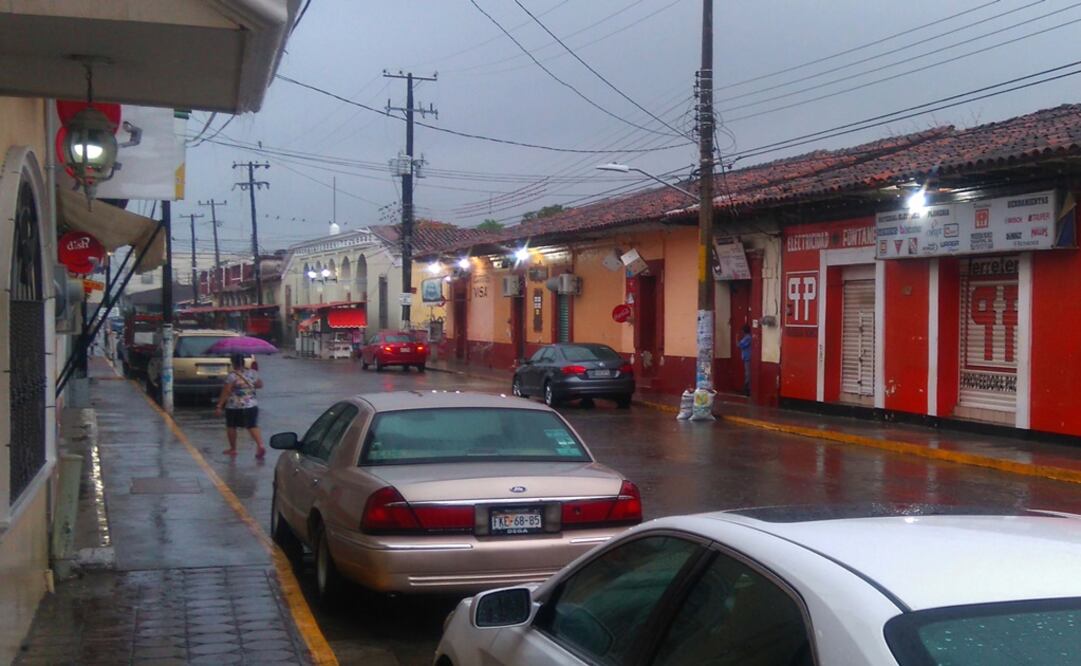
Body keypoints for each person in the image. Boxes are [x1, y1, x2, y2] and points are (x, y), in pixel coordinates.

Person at [215, 354, 266, 458]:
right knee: (252, 425)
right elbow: (260, 385)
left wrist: (219, 405)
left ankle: (233, 449)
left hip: (234, 406)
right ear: (243, 362)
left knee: (231, 426)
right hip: (252, 405)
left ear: (233, 364)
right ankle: (260, 444)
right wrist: (249, 385)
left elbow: (226, 391)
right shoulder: (252, 373)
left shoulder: (232, 376)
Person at [738, 324, 753, 396]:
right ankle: (747, 388)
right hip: (747, 357)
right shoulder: (748, 337)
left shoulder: (748, 338)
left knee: (748, 374)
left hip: (748, 358)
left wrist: (736, 339)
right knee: (747, 373)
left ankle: (747, 389)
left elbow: (741, 345)